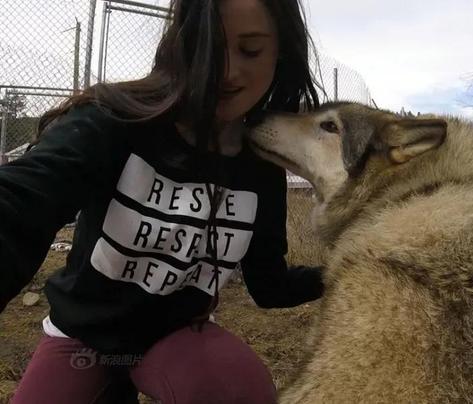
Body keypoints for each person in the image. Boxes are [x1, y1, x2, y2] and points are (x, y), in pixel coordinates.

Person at [0, 0, 324, 402]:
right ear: (182, 43)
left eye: (251, 50)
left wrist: (343, 272)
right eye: (209, 46)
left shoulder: (261, 169)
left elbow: (270, 286)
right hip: (82, 338)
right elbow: (22, 200)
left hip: (175, 338)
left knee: (240, 388)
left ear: (282, 52)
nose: (226, 71)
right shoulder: (113, 122)